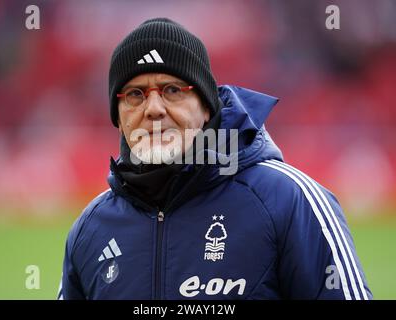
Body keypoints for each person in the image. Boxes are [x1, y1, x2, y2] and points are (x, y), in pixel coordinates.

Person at [58, 17, 372, 300]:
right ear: (119, 116)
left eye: (171, 90)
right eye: (135, 95)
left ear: (207, 106)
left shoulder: (289, 201)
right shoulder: (90, 229)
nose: (152, 108)